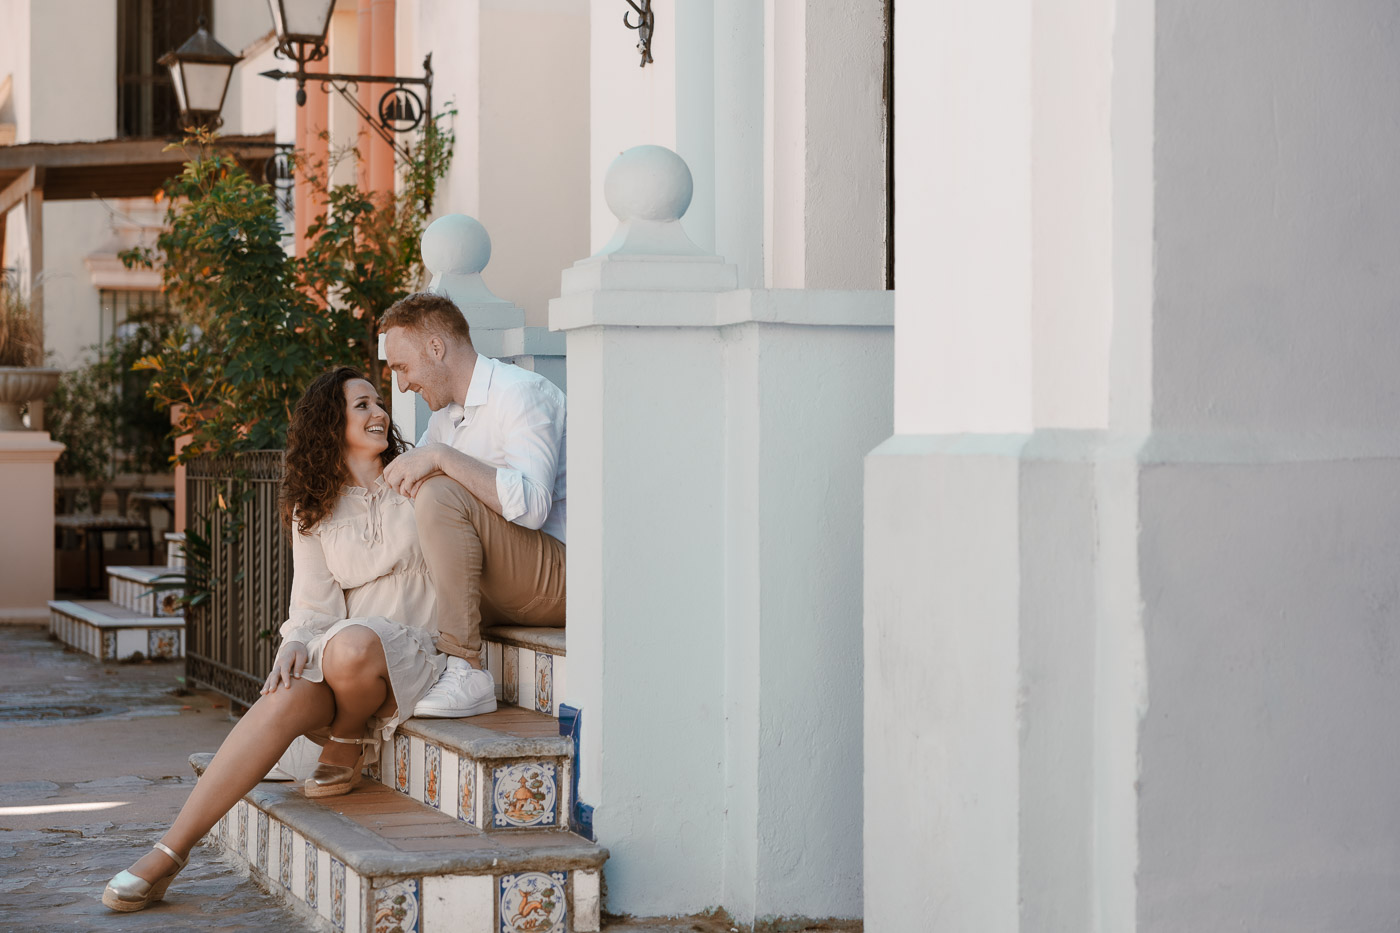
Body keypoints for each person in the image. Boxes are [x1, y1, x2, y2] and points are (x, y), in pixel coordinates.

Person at [102, 367, 447, 912]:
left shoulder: (419, 481)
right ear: (331, 424)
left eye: (379, 403)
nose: (379, 413)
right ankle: (170, 851)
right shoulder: (313, 508)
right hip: (343, 656)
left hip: (413, 647)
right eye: (362, 405)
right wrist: (294, 642)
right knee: (283, 692)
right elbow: (313, 606)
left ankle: (349, 736)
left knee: (352, 645)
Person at [380, 291, 566, 718]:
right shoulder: (447, 418)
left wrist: (445, 458)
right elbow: (402, 495)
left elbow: (534, 505)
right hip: (507, 582)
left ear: (436, 347)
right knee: (414, 509)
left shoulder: (520, 393)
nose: (403, 384)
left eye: (402, 368)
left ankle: (466, 668)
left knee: (438, 490)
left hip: (561, 578)